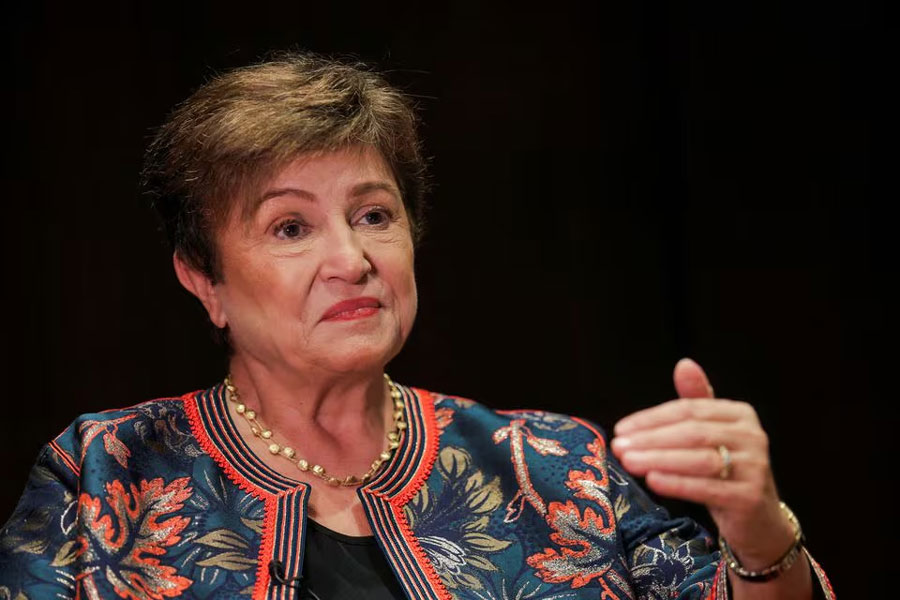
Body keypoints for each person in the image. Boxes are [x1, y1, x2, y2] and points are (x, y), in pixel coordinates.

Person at [0, 52, 833, 600]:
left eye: (373, 215)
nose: (351, 258)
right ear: (204, 279)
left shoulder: (553, 466)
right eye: (291, 228)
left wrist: (759, 528)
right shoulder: (105, 473)